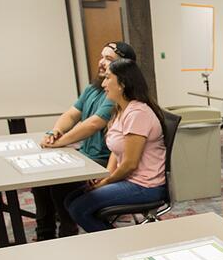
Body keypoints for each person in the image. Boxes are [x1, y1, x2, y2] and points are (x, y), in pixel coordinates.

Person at [36, 41, 136, 240]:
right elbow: (72, 115)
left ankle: (68, 231)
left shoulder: (116, 93)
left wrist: (59, 142)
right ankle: (44, 234)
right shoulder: (93, 88)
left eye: (109, 59)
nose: (101, 62)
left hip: (101, 161)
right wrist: (56, 131)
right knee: (40, 181)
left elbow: (93, 124)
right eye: (102, 56)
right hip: (83, 155)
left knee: (59, 184)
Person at [64, 59, 167, 232]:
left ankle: (115, 242)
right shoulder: (121, 110)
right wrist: (106, 176)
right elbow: (116, 153)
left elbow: (129, 164)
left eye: (108, 78)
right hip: (129, 179)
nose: (103, 84)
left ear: (122, 84)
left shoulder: (137, 113)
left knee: (78, 207)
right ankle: (111, 237)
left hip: (145, 186)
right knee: (71, 199)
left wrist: (106, 182)